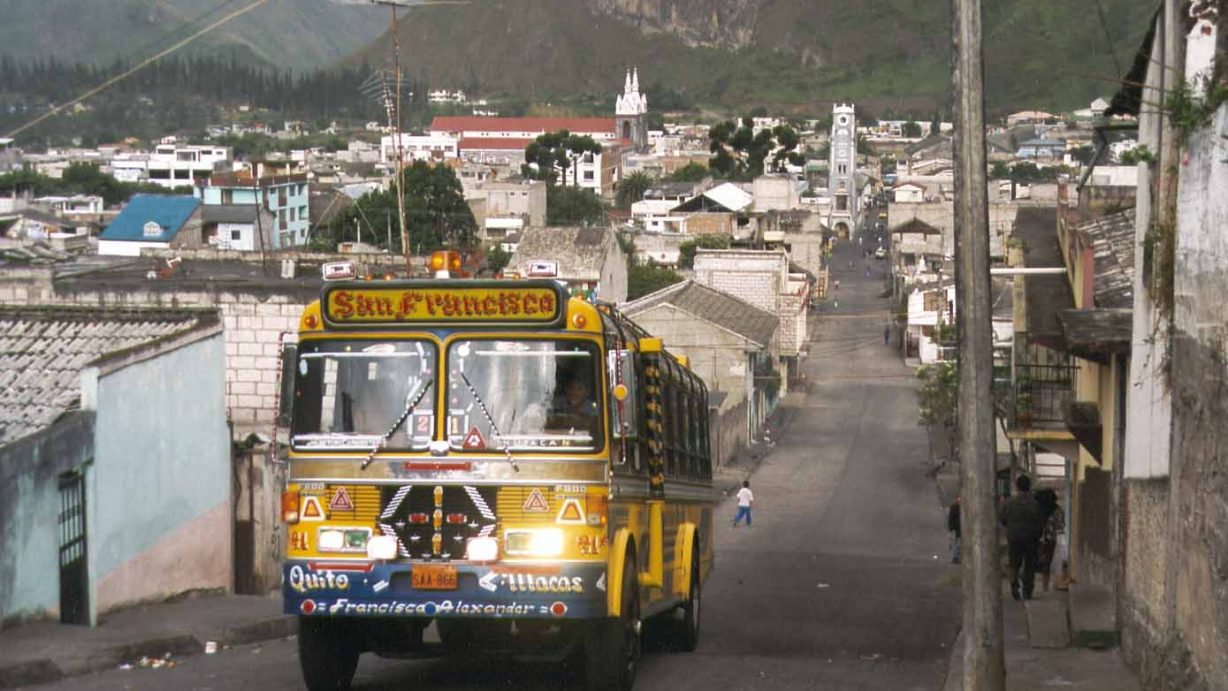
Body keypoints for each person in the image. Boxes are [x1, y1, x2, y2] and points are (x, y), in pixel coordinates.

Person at [1000, 475, 1044, 600]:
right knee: (1029, 565)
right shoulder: (1034, 504)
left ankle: (1014, 584)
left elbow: (1003, 519)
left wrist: (1011, 526)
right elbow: (1040, 521)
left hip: (1014, 537)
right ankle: (1027, 591)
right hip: (1031, 538)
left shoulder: (1009, 503)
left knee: (1014, 563)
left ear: (1017, 486)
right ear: (1029, 487)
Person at [1035, 489, 1065, 592]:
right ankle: (1045, 587)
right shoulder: (1057, 510)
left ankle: (1030, 586)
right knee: (1047, 564)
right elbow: (1061, 525)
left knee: (1033, 562)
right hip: (1051, 540)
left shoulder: (1037, 509)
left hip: (1036, 539)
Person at [948, 496, 961, 564]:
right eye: (958, 498)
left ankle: (957, 556)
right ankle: (955, 557)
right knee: (955, 543)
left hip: (960, 528)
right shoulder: (954, 507)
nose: (959, 499)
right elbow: (951, 518)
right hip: (955, 528)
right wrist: (951, 528)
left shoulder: (963, 507)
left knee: (958, 543)